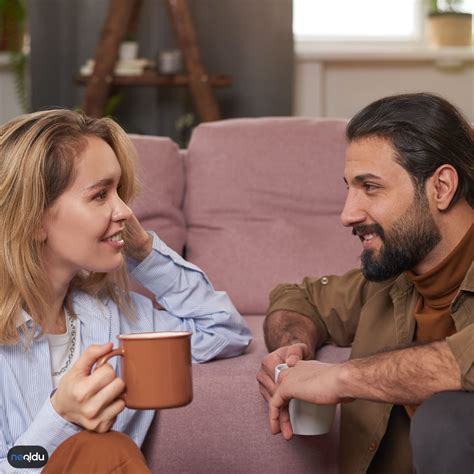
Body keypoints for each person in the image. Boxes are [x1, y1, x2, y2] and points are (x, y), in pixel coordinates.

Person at [0, 109, 252, 473]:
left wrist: (144, 251)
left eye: (119, 191)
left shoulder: (118, 318)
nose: (124, 211)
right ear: (35, 217)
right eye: (100, 195)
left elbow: (224, 330)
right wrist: (60, 418)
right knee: (103, 448)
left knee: (105, 449)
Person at [256, 93, 473, 474]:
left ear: (441, 188)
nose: (347, 214)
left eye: (370, 187)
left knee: (447, 418)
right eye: (349, 188)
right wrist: (294, 349)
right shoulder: (392, 281)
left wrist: (341, 378)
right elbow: (299, 297)